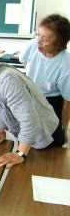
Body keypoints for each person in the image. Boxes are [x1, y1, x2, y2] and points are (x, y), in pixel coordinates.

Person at [19, 14, 70, 142]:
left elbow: (67, 102)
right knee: (27, 137)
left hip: (51, 102)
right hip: (29, 96)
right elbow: (24, 60)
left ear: (59, 43)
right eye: (38, 35)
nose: (38, 41)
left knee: (50, 140)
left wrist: (64, 128)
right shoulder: (33, 45)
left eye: (44, 39)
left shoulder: (65, 64)